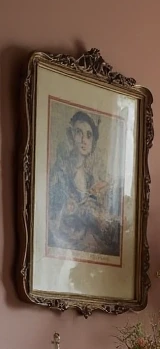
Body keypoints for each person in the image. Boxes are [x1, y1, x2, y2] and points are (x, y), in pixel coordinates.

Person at [48, 107, 122, 258]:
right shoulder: (61, 170)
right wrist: (74, 209)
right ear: (71, 136)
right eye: (79, 133)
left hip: (90, 241)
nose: (84, 140)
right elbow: (53, 211)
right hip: (67, 240)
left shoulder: (91, 176)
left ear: (93, 141)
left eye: (89, 135)